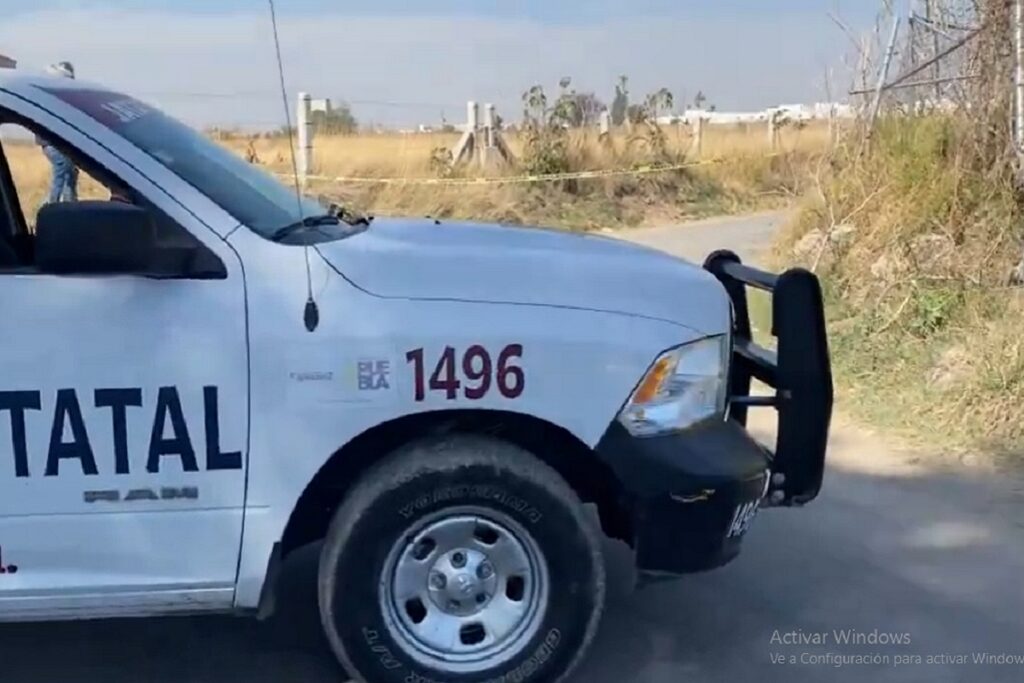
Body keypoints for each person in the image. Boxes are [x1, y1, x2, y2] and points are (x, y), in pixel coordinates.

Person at [38, 61, 78, 204]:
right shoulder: (56, 97)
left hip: (52, 143)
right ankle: (52, 205)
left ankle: (69, 204)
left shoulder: (50, 96)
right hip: (52, 143)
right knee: (62, 174)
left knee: (70, 172)